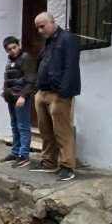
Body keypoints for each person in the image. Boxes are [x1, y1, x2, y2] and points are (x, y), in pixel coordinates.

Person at [31, 12, 81, 181]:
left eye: (42, 26)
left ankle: (67, 166)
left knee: (62, 131)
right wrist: (37, 90)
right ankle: (48, 161)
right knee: (45, 131)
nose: (39, 30)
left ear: (53, 22)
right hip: (42, 93)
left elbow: (71, 67)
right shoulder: (49, 42)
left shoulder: (68, 39)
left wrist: (63, 92)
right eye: (37, 27)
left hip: (58, 94)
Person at [0, 36, 36, 167]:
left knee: (23, 126)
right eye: (9, 49)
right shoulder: (10, 61)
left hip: (20, 98)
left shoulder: (26, 58)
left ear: (19, 45)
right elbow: (8, 77)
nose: (13, 51)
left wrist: (23, 96)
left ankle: (23, 155)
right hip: (11, 98)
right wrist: (4, 89)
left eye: (14, 47)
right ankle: (15, 152)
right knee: (14, 126)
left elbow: (31, 79)